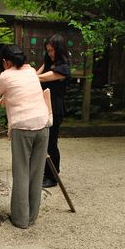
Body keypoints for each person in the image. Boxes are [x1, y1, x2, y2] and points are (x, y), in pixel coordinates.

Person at [0, 45, 49, 229]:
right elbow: (20, 94)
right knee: (36, 173)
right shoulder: (30, 72)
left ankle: (21, 220)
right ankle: (31, 217)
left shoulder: (5, 76)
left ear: (6, 61)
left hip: (23, 127)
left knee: (21, 172)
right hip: (43, 124)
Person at [37, 34, 71, 188]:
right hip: (44, 108)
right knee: (44, 142)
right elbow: (37, 75)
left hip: (55, 109)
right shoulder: (49, 64)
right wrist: (45, 63)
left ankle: (53, 176)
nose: (50, 53)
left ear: (59, 49)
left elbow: (40, 78)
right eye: (48, 51)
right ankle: (45, 173)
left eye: (52, 50)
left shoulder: (63, 68)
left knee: (51, 143)